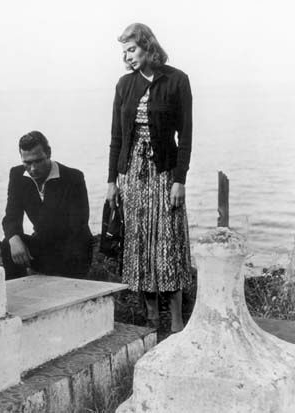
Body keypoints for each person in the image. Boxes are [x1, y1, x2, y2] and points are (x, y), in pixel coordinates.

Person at [106, 23, 193, 332]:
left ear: (148, 46)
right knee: (140, 245)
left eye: (132, 49)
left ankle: (178, 322)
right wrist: (111, 182)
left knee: (168, 244)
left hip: (164, 175)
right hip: (131, 176)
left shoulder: (177, 80)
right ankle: (152, 320)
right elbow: (116, 136)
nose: (127, 57)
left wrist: (179, 180)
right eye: (124, 52)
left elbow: (186, 135)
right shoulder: (124, 85)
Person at [2, 131, 93, 279]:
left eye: (38, 161)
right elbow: (11, 216)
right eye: (27, 163)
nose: (33, 169)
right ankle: (18, 297)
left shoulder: (73, 177)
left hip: (72, 251)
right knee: (8, 244)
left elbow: (78, 224)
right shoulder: (17, 175)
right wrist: (14, 238)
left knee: (75, 248)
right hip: (44, 246)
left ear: (48, 153)